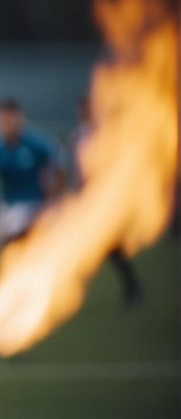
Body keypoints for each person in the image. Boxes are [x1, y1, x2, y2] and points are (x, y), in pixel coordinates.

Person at [70, 97, 143, 306]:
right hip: (88, 198)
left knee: (110, 247)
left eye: (86, 110)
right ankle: (71, 293)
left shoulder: (107, 134)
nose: (83, 114)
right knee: (85, 246)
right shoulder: (78, 136)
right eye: (81, 110)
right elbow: (79, 171)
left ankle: (132, 286)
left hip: (107, 199)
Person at [0, 97, 65, 246]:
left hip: (33, 203)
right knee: (1, 227)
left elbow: (59, 165)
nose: (6, 125)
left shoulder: (36, 143)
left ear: (20, 119)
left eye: (10, 120)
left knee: (15, 231)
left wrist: (54, 195)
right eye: (2, 121)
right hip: (8, 204)